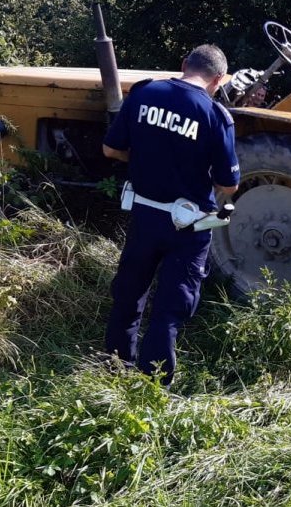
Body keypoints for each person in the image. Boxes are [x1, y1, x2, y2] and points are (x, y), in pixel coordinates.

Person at [101, 44, 240, 385]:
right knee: (170, 307)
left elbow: (110, 149)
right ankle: (152, 385)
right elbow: (229, 183)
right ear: (218, 79)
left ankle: (115, 368)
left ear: (183, 65)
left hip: (144, 214)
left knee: (129, 292)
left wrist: (143, 162)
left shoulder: (145, 93)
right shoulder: (215, 114)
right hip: (188, 227)